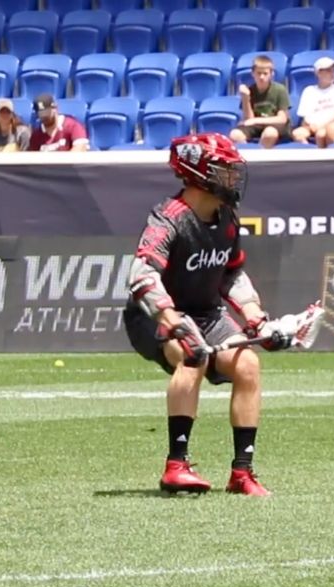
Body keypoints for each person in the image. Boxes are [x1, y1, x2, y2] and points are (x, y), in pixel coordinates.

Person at [122, 132, 293, 498]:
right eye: (224, 171)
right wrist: (172, 320)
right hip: (153, 316)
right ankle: (176, 466)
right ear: (198, 173)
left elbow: (231, 272)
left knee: (248, 365)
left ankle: (241, 473)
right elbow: (141, 276)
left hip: (206, 312)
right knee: (192, 355)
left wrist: (256, 317)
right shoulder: (168, 219)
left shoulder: (227, 219)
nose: (232, 179)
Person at [229, 55, 292, 149]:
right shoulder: (250, 90)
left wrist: (255, 120)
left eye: (265, 73)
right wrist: (246, 98)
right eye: (258, 73)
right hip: (256, 126)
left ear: (271, 74)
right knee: (235, 134)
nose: (261, 77)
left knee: (270, 133)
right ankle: (249, 156)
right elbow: (248, 119)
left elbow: (282, 119)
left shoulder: (280, 90)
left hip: (275, 126)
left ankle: (261, 157)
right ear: (253, 73)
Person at [291, 56, 334, 148]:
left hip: (333, 125)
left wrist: (322, 127)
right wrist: (311, 126)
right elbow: (305, 116)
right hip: (312, 127)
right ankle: (311, 155)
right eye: (329, 71)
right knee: (297, 134)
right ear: (319, 73)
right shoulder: (309, 90)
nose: (333, 73)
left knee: (324, 132)